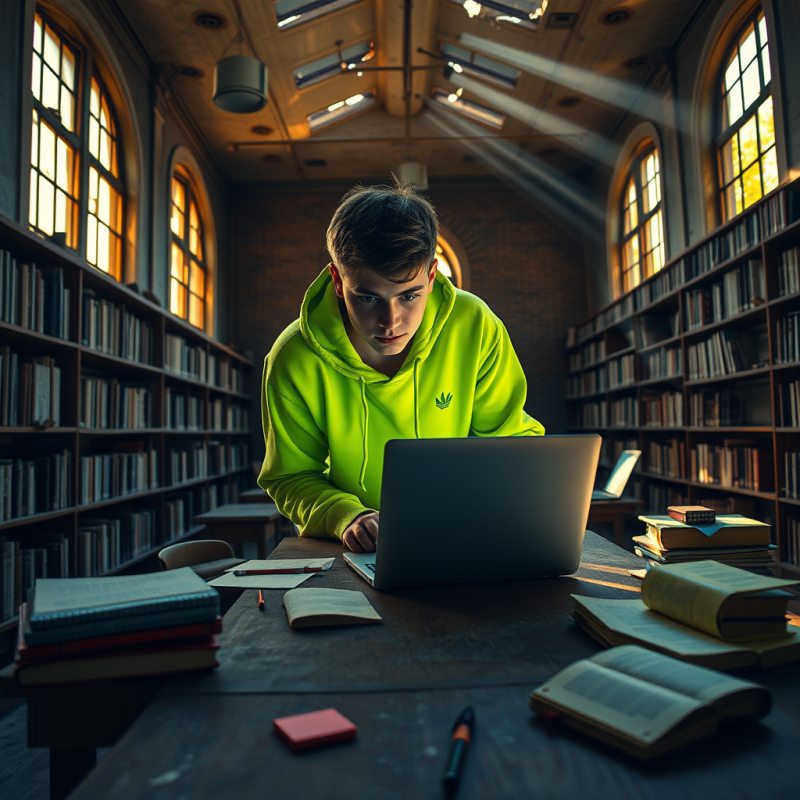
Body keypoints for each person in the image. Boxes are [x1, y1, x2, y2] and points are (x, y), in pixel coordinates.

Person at [258, 182, 544, 553]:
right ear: (338, 281)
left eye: (409, 295)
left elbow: (508, 444)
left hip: (464, 532)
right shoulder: (293, 357)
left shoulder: (475, 325)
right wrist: (346, 516)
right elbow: (290, 476)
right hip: (352, 548)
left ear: (431, 276)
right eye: (368, 297)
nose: (390, 321)